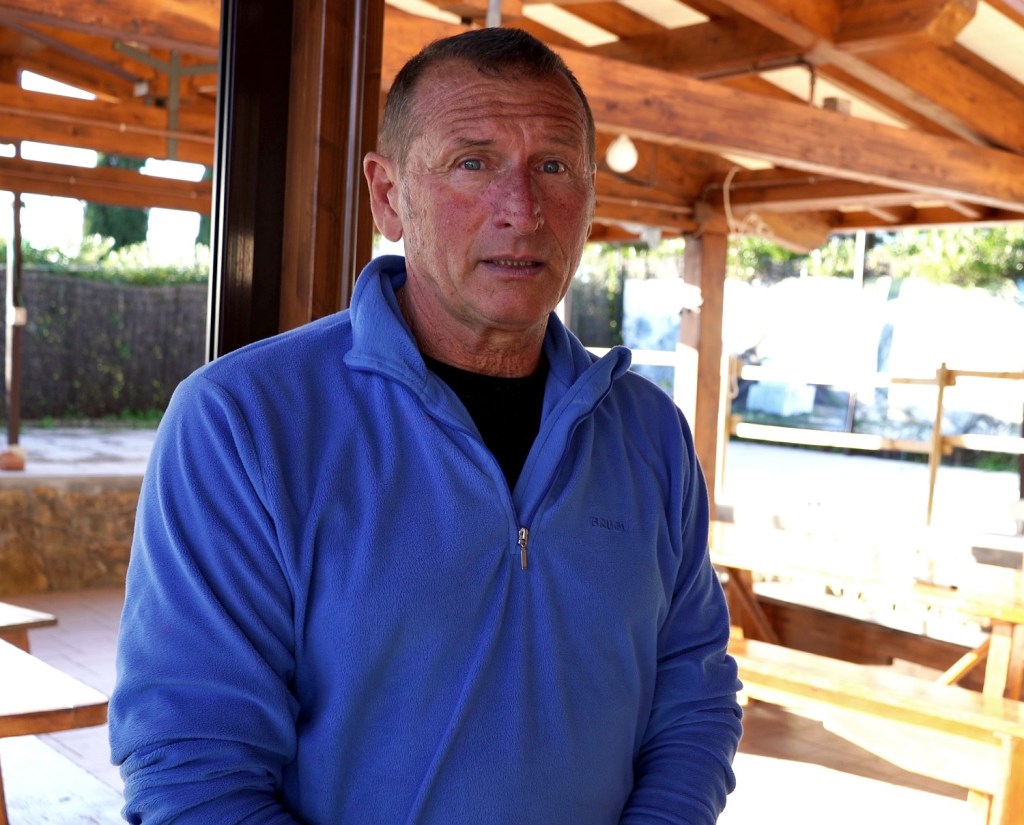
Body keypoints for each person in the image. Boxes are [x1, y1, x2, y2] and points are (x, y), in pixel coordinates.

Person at [109, 26, 742, 824]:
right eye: (472, 163)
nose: (521, 210)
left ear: (588, 196)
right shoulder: (243, 423)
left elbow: (693, 699)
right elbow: (192, 767)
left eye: (553, 166)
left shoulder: (647, 433)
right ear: (387, 196)